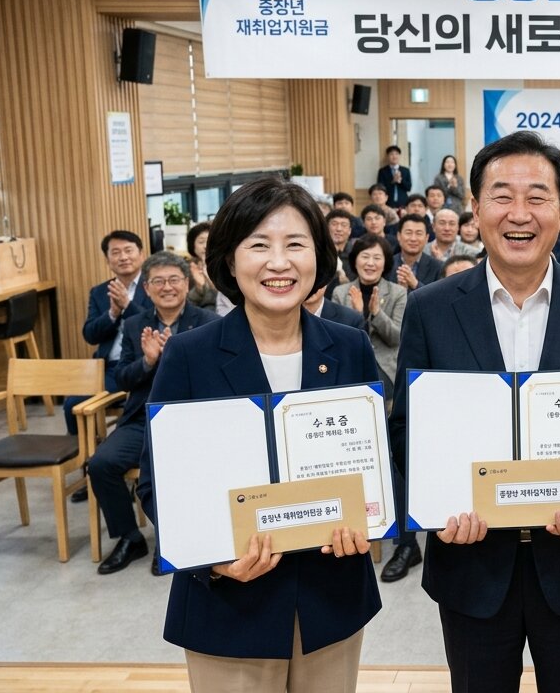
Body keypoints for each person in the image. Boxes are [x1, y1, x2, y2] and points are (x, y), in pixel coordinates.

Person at [391, 130, 560, 692]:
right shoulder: (431, 309)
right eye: (502, 196)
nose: (519, 213)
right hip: (470, 561)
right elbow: (406, 425)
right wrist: (435, 503)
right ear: (475, 207)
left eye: (537, 196)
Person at [136, 176, 380, 689]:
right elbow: (156, 485)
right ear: (229, 259)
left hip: (330, 600)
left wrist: (372, 517)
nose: (279, 263)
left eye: (296, 244)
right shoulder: (189, 355)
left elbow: (378, 464)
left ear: (319, 256)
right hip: (229, 605)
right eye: (259, 245)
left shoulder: (350, 346)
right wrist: (215, 563)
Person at [90, 251, 219, 576]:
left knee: (178, 467)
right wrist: (147, 362)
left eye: (174, 279)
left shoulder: (208, 323)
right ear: (146, 288)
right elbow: (121, 378)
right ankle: (130, 537)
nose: (167, 287)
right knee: (101, 464)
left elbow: (216, 376)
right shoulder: (135, 324)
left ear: (187, 284)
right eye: (158, 281)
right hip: (142, 419)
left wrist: (175, 356)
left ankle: (171, 538)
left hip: (191, 421)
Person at [72, 231, 151, 439]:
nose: (123, 257)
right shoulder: (100, 292)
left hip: (143, 363)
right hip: (109, 367)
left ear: (141, 254)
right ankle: (85, 452)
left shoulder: (154, 285)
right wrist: (112, 314)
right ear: (107, 260)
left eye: (128, 250)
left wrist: (127, 305)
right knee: (72, 404)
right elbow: (90, 335)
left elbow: (155, 324)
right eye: (115, 253)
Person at [331, 233, 407, 404]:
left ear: (385, 263)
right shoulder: (340, 292)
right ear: (355, 260)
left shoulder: (398, 293)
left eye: (377, 258)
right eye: (365, 256)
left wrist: (377, 313)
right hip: (349, 367)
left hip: (386, 371)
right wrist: (357, 316)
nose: (370, 263)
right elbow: (337, 339)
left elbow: (396, 338)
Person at [394, 214, 444, 289]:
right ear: (399, 236)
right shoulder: (387, 265)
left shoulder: (438, 267)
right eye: (408, 233)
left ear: (427, 238)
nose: (413, 239)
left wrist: (416, 284)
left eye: (419, 233)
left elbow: (439, 295)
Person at [185, 222, 218, 310]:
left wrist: (212, 284)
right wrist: (198, 289)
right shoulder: (186, 268)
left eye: (209, 241)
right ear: (192, 245)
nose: (205, 246)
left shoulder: (224, 267)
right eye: (201, 242)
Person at [325, 209, 358, 284]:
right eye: (334, 224)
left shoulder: (356, 253)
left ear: (349, 231)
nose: (339, 229)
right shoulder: (318, 253)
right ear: (327, 228)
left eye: (344, 225)